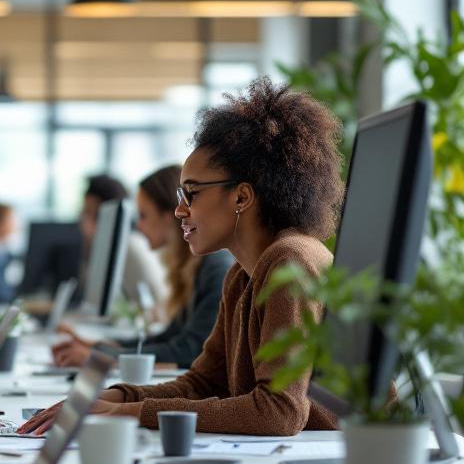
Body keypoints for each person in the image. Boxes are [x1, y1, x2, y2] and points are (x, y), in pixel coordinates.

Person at [21, 77, 344, 437]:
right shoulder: (242, 275)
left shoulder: (290, 262)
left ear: (241, 197)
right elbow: (202, 382)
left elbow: (276, 412)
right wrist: (109, 396)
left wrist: (125, 412)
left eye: (191, 194)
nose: (179, 211)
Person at [51, 165, 232, 369]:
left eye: (144, 215)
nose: (138, 226)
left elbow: (190, 350)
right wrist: (99, 348)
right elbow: (170, 337)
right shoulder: (191, 267)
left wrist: (102, 357)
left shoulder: (216, 267)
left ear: (169, 216)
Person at [79, 173, 168, 305]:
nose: (85, 224)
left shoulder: (131, 248)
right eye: (84, 214)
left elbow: (160, 306)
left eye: (95, 216)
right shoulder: (96, 250)